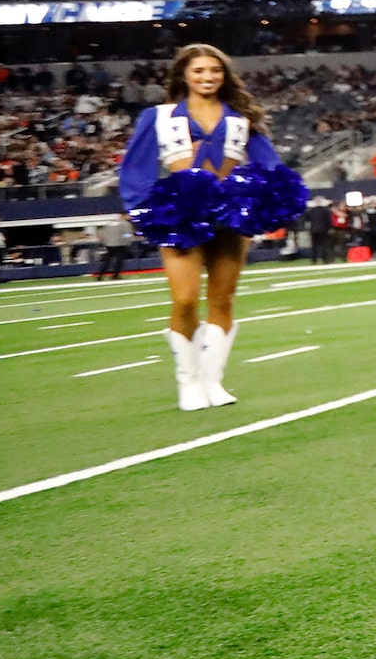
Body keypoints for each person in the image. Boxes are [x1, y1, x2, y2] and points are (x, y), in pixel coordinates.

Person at [115, 43, 291, 412]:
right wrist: (139, 209)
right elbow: (136, 168)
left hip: (230, 213)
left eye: (215, 70)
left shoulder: (242, 119)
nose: (207, 77)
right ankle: (188, 381)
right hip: (181, 211)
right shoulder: (158, 116)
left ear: (224, 76)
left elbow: (270, 166)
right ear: (184, 75)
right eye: (199, 71)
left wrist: (273, 201)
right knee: (185, 298)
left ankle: (213, 381)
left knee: (223, 299)